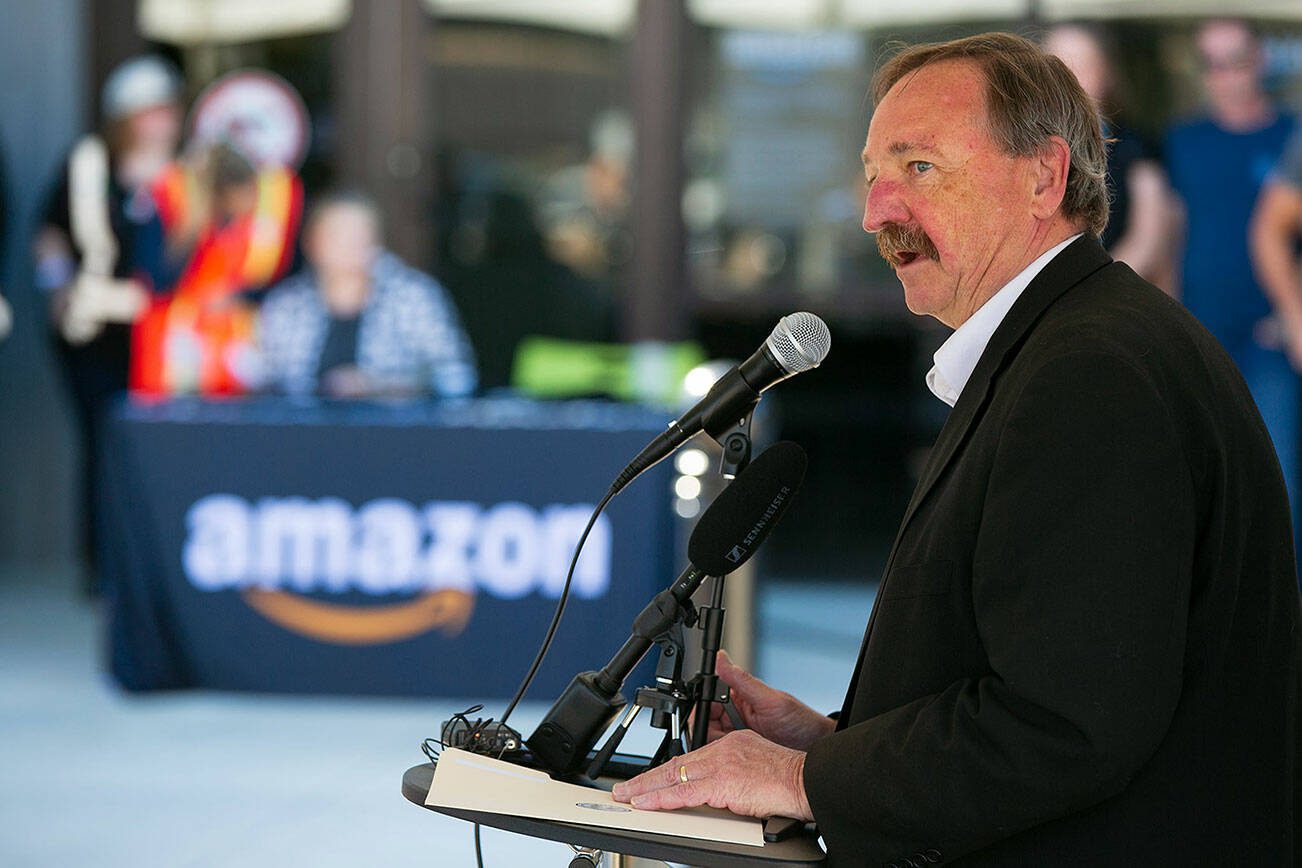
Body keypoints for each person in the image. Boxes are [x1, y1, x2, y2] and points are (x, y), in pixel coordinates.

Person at [612, 33, 1300, 865]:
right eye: (872, 176)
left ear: (1044, 177)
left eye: (919, 168)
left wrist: (808, 783)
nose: (878, 213)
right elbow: (1053, 685)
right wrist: (825, 744)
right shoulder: (1072, 343)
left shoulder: (1091, 373)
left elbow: (1066, 727)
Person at [32, 55, 185, 583]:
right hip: (94, 333)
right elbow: (49, 231)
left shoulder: (190, 170)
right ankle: (102, 567)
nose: (159, 122)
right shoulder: (89, 162)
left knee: (162, 447)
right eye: (147, 112)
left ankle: (157, 565)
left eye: (166, 110)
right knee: (105, 443)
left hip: (166, 337)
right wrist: (55, 285)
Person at [1165, 19, 1299, 551]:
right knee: (1201, 486)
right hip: (1199, 337)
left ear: (1260, 59)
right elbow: (1171, 241)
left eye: (1236, 58)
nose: (1226, 75)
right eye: (1212, 63)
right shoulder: (1183, 140)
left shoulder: (1290, 135)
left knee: (1281, 486)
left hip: (1272, 341)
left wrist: (1294, 316)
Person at [258, 192, 477, 398]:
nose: (351, 245)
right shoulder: (285, 304)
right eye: (338, 235)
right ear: (311, 242)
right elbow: (259, 382)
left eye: (361, 234)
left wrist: (382, 387)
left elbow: (457, 378)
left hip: (395, 433)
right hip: (298, 434)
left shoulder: (414, 298)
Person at [1043, 22, 1175, 289]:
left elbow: (1147, 239)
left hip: (1111, 297)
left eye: (1081, 66)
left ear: (1107, 74)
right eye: (1057, 69)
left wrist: (1093, 290)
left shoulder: (1136, 149)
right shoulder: (1024, 149)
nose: (1070, 80)